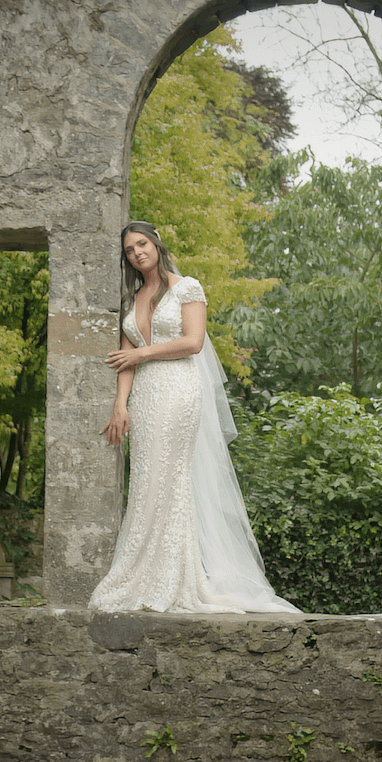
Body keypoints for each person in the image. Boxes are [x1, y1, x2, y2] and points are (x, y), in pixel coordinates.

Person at [89, 221, 300, 614]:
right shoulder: (130, 299)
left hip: (178, 389)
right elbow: (124, 360)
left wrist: (141, 353)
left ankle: (175, 579)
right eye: (130, 250)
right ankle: (143, 575)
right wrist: (120, 405)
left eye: (142, 244)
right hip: (145, 397)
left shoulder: (187, 287)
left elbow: (192, 341)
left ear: (155, 243)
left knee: (169, 479)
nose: (137, 253)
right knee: (146, 481)